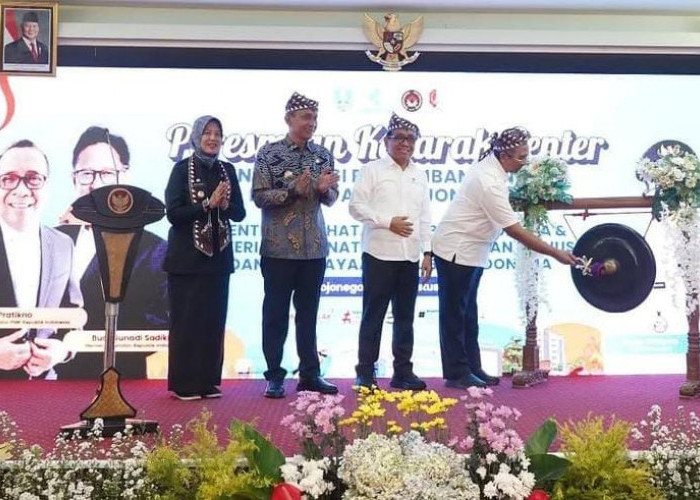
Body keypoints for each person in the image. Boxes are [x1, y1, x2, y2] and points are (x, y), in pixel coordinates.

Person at [432, 127, 577, 389]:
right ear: (505, 156)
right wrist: (556, 253)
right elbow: (514, 230)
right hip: (456, 249)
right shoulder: (487, 181)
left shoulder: (493, 169)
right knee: (454, 315)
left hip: (472, 251)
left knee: (468, 314)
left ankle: (472, 366)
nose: (525, 162)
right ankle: (456, 373)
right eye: (521, 157)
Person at [55, 126, 169, 379]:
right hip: (51, 383)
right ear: (74, 179)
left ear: (124, 178)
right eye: (86, 174)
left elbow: (162, 322)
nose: (96, 184)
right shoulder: (52, 241)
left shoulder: (155, 251)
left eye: (107, 173)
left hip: (125, 378)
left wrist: (84, 341)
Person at [253, 92, 339, 399]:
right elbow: (259, 196)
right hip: (278, 249)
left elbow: (332, 198)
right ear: (289, 119)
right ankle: (274, 376)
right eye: (305, 117)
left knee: (309, 314)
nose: (311, 123)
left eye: (314, 118)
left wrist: (323, 190)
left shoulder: (322, 155)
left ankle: (310, 374)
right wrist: (291, 191)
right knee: (275, 314)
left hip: (314, 248)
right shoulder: (269, 153)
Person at [164, 115, 245, 400]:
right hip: (186, 261)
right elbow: (174, 214)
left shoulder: (227, 170)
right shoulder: (181, 169)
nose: (212, 138)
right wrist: (207, 204)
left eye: (217, 134)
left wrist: (225, 203)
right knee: (187, 323)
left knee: (213, 322)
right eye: (207, 133)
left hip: (218, 260)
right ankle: (185, 384)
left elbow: (239, 213)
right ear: (196, 137)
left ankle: (208, 381)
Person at [349, 113, 432, 390]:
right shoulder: (372, 170)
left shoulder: (419, 174)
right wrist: (388, 222)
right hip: (379, 254)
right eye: (399, 138)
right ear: (386, 141)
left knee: (405, 317)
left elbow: (424, 216)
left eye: (411, 139)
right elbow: (356, 207)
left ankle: (403, 372)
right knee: (373, 316)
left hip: (410, 256)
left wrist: (428, 253)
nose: (405, 143)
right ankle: (365, 372)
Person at [0, 140, 82, 379]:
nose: (22, 190)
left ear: (47, 185)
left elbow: (74, 317)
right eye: (8, 179)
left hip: (43, 387)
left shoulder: (63, 244)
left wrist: (62, 350)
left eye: (33, 178)